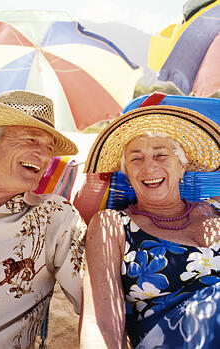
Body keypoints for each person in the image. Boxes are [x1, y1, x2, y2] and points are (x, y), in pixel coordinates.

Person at [80, 105, 220, 348]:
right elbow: (100, 320)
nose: (149, 167)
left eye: (161, 155)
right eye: (136, 158)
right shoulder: (112, 225)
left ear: (182, 166)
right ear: (127, 172)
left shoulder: (216, 208)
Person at [0, 90, 86, 348]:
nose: (43, 156)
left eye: (48, 149)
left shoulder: (54, 217)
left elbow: (91, 301)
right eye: (31, 140)